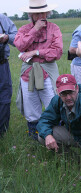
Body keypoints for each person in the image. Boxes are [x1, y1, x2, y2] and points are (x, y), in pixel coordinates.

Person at [14, 0, 63, 140]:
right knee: (30, 105)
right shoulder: (24, 29)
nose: (41, 15)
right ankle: (35, 139)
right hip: (28, 73)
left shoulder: (54, 29)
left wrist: (35, 52)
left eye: (43, 12)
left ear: (48, 12)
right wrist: (35, 30)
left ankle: (56, 136)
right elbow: (20, 45)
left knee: (52, 102)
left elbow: (57, 52)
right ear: (31, 14)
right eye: (37, 13)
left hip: (47, 71)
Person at [0, 14, 17, 137]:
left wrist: (6, 37)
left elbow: (17, 37)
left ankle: (2, 132)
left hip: (2, 64)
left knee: (4, 97)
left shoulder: (2, 18)